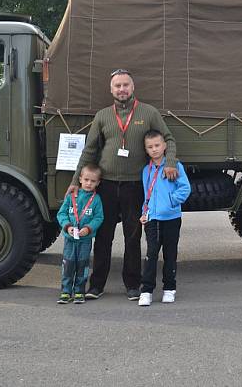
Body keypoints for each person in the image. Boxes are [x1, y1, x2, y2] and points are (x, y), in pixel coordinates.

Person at [68, 69, 179, 301]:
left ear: (132, 87)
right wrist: (74, 181)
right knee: (103, 236)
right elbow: (89, 150)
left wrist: (170, 163)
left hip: (135, 186)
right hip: (106, 185)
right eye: (117, 86)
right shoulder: (102, 116)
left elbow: (168, 138)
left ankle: (132, 285)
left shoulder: (148, 113)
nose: (122, 89)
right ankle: (96, 285)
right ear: (111, 90)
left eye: (125, 85)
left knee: (133, 236)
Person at [137, 130, 191, 306]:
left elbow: (184, 188)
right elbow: (147, 194)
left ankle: (169, 288)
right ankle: (146, 290)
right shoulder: (146, 170)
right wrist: (144, 212)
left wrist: (171, 202)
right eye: (150, 147)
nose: (154, 149)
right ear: (146, 150)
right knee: (151, 253)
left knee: (170, 254)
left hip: (172, 217)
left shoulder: (175, 166)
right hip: (152, 219)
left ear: (165, 146)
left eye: (157, 145)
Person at [56, 164, 104, 304]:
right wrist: (68, 227)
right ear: (80, 179)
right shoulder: (72, 196)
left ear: (98, 183)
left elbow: (98, 217)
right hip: (70, 239)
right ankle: (65, 291)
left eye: (93, 181)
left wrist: (89, 228)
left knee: (82, 265)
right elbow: (62, 214)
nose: (89, 183)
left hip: (85, 239)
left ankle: (79, 291)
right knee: (68, 264)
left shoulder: (96, 200)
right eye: (86, 179)